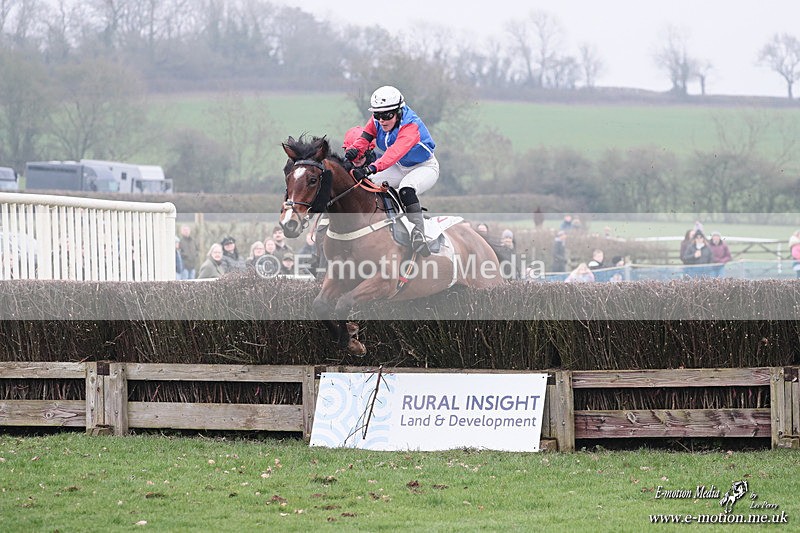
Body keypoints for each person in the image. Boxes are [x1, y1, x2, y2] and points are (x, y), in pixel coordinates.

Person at [343, 85, 438, 256]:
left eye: (387, 115)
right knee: (366, 185)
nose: (382, 120)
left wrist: (371, 168)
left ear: (399, 111)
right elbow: (365, 137)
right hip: (399, 166)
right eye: (378, 115)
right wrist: (354, 151)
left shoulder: (411, 126)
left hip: (424, 167)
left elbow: (393, 154)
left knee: (406, 189)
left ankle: (419, 233)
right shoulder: (377, 120)